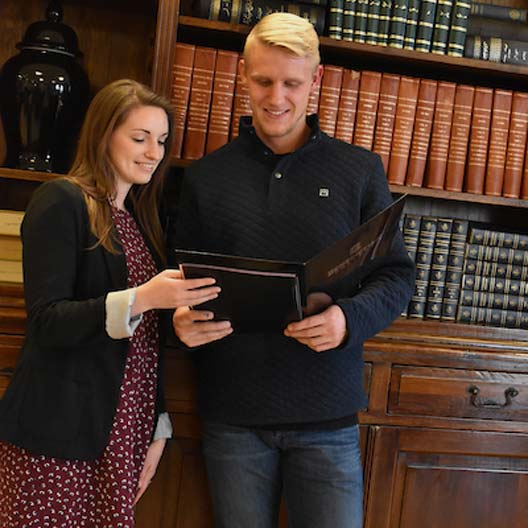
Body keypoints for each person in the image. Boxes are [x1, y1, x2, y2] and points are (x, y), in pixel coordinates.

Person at [171, 12, 416, 528]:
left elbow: (396, 277)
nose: (275, 97)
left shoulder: (360, 170)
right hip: (232, 414)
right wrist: (180, 319)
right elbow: (180, 280)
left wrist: (348, 319)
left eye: (291, 82)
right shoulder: (204, 177)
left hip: (328, 415)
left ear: (316, 80)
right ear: (243, 75)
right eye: (262, 80)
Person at [0, 79, 220, 527]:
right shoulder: (61, 200)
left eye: (160, 141)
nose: (153, 153)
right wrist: (144, 298)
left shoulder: (140, 222)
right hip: (59, 429)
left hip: (124, 430)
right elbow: (47, 321)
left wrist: (157, 427)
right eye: (139, 138)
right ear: (103, 134)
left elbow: (146, 344)